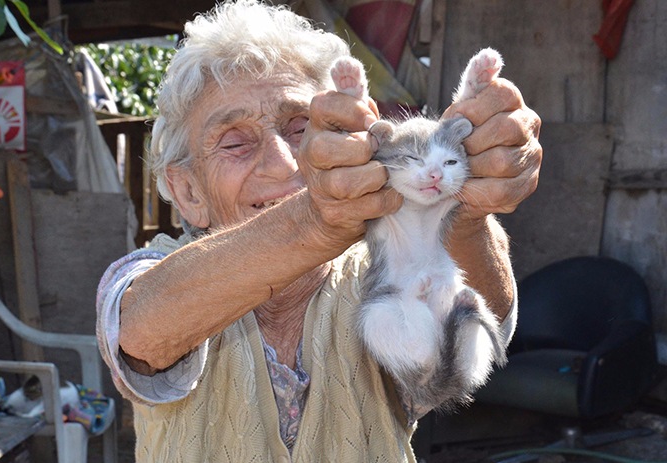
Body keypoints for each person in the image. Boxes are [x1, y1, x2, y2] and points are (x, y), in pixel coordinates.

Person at [96, 1, 542, 461]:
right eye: (235, 142)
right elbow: (140, 331)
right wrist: (313, 221)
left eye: (301, 129)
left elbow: (482, 324)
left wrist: (465, 207)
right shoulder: (154, 274)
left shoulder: (376, 265)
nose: (284, 162)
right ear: (188, 191)